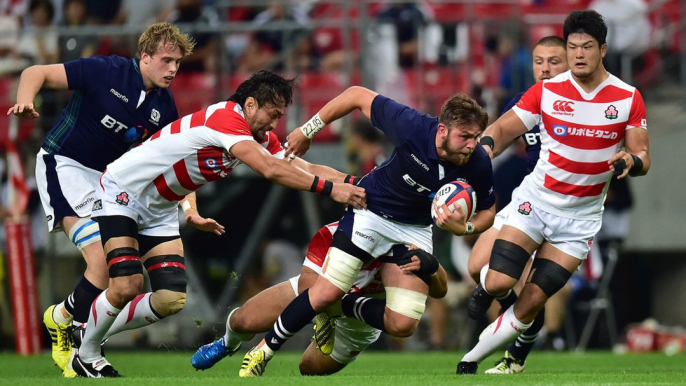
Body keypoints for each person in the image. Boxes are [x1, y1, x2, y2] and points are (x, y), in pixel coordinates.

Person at [70, 70, 366, 378]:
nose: (275, 124)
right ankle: (86, 353)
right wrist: (333, 190)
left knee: (170, 299)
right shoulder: (227, 120)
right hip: (124, 191)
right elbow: (269, 169)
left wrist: (356, 183)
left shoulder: (258, 136)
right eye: (273, 114)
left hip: (160, 208)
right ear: (250, 104)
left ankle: (90, 329)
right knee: (127, 285)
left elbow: (304, 167)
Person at [237, 85, 496, 377]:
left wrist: (466, 228)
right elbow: (356, 95)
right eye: (465, 136)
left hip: (414, 229)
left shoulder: (478, 163)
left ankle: (341, 307)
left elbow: (489, 211)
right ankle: (264, 350)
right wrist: (308, 129)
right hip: (371, 211)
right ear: (442, 131)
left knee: (403, 324)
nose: (472, 145)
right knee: (323, 293)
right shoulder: (411, 126)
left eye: (476, 137)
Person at [456, 10, 651, 375]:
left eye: (586, 47)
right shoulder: (546, 91)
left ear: (603, 49)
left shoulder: (627, 97)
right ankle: (489, 295)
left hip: (580, 220)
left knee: (530, 302)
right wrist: (482, 150)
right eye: (573, 47)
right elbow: (500, 130)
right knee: (495, 279)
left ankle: (475, 362)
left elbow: (643, 154)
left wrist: (631, 161)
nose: (579, 54)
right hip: (537, 203)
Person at [6, 22, 195, 377]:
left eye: (178, 63)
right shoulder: (105, 70)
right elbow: (36, 71)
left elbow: (178, 163)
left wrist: (189, 207)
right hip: (63, 166)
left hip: (109, 183)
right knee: (104, 262)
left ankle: (62, 317)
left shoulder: (164, 107)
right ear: (145, 56)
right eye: (167, 60)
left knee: (123, 274)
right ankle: (83, 350)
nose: (172, 69)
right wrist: (25, 99)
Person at [190, 221, 448, 375]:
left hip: (361, 319)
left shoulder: (405, 244)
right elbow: (307, 287)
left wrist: (433, 267)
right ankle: (226, 343)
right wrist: (324, 304)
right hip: (319, 292)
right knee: (243, 321)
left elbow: (440, 291)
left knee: (308, 369)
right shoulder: (332, 233)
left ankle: (334, 312)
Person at [465, 35, 569, 374]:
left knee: (525, 288)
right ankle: (527, 322)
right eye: (539, 62)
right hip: (528, 197)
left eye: (554, 61)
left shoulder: (585, 105)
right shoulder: (523, 101)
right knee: (475, 266)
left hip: (566, 207)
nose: (545, 69)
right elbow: (499, 134)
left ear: (570, 62)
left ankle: (519, 350)